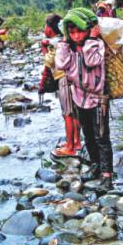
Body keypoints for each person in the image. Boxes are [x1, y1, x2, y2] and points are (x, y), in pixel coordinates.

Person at [54, 8, 113, 190]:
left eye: (80, 31)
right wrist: (64, 42)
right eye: (72, 32)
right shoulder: (69, 49)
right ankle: (95, 166)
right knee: (87, 134)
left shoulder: (96, 45)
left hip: (98, 98)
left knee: (101, 137)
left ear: (88, 30)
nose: (76, 36)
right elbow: (61, 64)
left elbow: (91, 61)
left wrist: (92, 39)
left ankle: (107, 175)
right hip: (79, 97)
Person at [41, 14, 82, 156]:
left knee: (67, 113)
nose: (44, 29)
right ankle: (76, 142)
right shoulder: (65, 39)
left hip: (64, 78)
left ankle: (70, 147)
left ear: (50, 28)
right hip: (73, 78)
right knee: (75, 112)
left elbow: (50, 62)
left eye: (45, 26)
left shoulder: (54, 43)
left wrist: (44, 49)